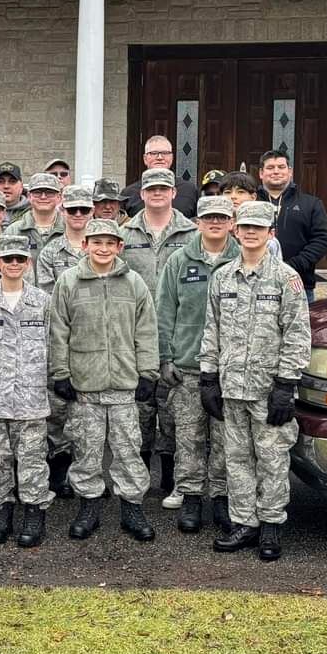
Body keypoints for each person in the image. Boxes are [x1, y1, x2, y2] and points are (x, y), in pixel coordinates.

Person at [199, 200, 311, 561]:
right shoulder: (222, 277)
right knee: (236, 458)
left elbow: (297, 333)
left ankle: (271, 526)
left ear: (270, 233)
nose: (250, 233)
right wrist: (208, 376)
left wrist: (286, 384)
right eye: (245, 226)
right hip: (231, 387)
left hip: (267, 390)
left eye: (258, 228)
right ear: (236, 229)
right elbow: (211, 329)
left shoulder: (286, 278)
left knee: (272, 459)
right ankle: (244, 523)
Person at [49, 218, 159, 542]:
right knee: (87, 449)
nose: (103, 248)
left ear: (119, 247)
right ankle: (89, 508)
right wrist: (60, 373)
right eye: (97, 242)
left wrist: (148, 372)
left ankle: (132, 508)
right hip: (85, 383)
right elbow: (58, 331)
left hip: (124, 383)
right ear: (85, 245)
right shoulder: (68, 282)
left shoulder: (134, 282)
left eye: (110, 243)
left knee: (128, 450)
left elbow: (146, 330)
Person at [155, 196, 240, 530]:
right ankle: (190, 499)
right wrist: (165, 357)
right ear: (198, 222)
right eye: (208, 218)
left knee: (223, 438)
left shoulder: (242, 259)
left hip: (229, 368)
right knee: (189, 436)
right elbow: (164, 312)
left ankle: (220, 498)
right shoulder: (179, 261)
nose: (215, 223)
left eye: (222, 217)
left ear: (232, 222)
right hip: (188, 364)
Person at [0, 234, 53, 548]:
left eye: (20, 259)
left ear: (28, 263)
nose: (14, 264)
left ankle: (34, 511)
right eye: (8, 259)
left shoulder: (43, 301)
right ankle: (0, 510)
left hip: (31, 397)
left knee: (32, 460)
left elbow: (52, 344)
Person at [120, 167, 197, 496]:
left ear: (173, 192)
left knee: (170, 406)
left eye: (163, 188)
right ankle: (139, 477)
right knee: (140, 405)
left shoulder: (191, 233)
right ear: (142, 193)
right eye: (151, 189)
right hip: (134, 331)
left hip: (175, 330)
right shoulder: (126, 233)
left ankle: (169, 476)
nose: (157, 194)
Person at [34, 184, 92, 499]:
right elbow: (47, 299)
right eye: (73, 210)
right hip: (57, 339)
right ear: (63, 211)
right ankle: (58, 471)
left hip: (92, 343)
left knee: (86, 413)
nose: (79, 215)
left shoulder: (99, 245)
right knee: (56, 409)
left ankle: (85, 476)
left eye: (84, 210)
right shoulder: (50, 252)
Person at [256, 150, 327, 304]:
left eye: (281, 167)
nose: (276, 171)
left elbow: (321, 241)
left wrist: (291, 267)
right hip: (254, 284)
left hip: (298, 284)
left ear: (290, 172)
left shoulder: (311, 204)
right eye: (270, 168)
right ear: (261, 173)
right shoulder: (250, 203)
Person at [4, 172, 65, 279]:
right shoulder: (14, 231)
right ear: (29, 196)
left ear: (59, 197)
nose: (43, 197)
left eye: (49, 193)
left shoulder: (69, 230)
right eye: (37, 192)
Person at [121, 136, 199, 218]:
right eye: (154, 153)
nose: (160, 158)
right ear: (145, 159)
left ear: (172, 158)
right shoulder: (128, 193)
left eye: (165, 153)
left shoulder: (190, 190)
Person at [219, 171, 283, 259]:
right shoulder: (213, 229)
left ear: (253, 197)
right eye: (228, 192)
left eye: (240, 192)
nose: (233, 196)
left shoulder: (267, 240)